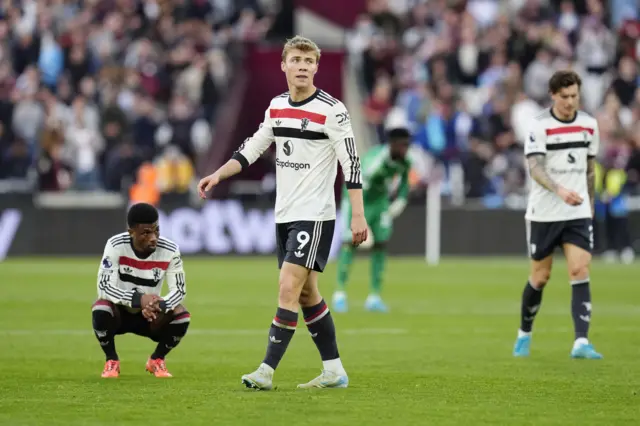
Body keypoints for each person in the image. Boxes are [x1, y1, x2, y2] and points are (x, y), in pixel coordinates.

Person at [197, 35, 368, 390]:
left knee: (288, 288)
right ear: (284, 65)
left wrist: (357, 215)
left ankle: (266, 371)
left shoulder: (332, 110)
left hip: (316, 214)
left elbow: (351, 162)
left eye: (309, 61)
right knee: (307, 295)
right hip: (284, 214)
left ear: (316, 67)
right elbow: (252, 148)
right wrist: (218, 173)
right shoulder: (275, 107)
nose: (302, 67)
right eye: (296, 60)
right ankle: (334, 370)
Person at [513, 70, 602, 359]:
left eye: (575, 96)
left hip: (576, 212)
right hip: (544, 213)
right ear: (553, 95)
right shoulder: (539, 126)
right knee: (540, 277)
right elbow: (535, 168)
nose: (570, 102)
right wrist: (559, 189)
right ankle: (524, 333)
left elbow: (590, 169)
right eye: (564, 97)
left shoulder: (589, 125)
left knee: (579, 270)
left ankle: (581, 342)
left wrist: (590, 205)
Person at [92, 203, 189, 378]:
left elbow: (180, 290)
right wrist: (138, 299)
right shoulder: (115, 245)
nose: (153, 238)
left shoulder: (170, 250)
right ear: (131, 232)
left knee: (181, 314)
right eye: (146, 233)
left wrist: (162, 303)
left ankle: (157, 360)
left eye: (156, 230)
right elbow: (104, 287)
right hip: (120, 313)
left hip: (151, 315)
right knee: (101, 307)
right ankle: (111, 360)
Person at [332, 125, 412, 313]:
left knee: (381, 244)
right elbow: (357, 186)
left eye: (407, 145)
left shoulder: (405, 161)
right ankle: (340, 294)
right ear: (392, 145)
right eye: (402, 145)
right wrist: (360, 220)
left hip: (380, 202)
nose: (405, 149)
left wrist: (400, 201)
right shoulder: (376, 161)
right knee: (350, 243)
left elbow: (404, 183)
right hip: (358, 200)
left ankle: (374, 297)